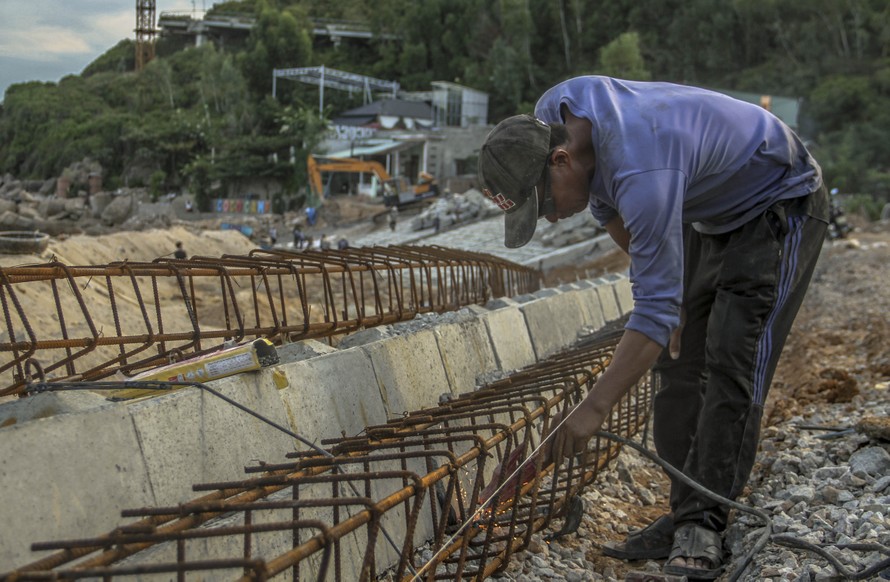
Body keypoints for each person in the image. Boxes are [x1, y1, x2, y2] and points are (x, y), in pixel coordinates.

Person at [477, 76, 828, 580]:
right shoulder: (550, 114)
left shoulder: (643, 167)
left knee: (734, 360)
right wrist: (669, 296)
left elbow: (652, 305)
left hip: (777, 197)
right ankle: (683, 513)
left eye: (546, 204)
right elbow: (610, 209)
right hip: (706, 207)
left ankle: (703, 525)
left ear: (560, 161)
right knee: (678, 362)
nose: (552, 219)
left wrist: (593, 409)